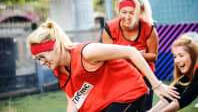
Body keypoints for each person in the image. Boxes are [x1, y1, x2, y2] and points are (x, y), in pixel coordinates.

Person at [27, 20, 179, 112]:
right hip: (106, 101)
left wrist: (157, 85)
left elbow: (131, 51)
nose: (41, 63)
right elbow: (74, 100)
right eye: (36, 59)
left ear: (57, 47)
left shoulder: (87, 52)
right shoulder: (59, 69)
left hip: (129, 92)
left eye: (42, 56)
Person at [102, 0, 158, 111]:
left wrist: (133, 54)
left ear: (139, 13)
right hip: (120, 78)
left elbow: (153, 56)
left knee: (145, 110)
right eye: (124, 12)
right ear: (119, 11)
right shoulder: (110, 28)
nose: (127, 17)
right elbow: (105, 57)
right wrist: (125, 54)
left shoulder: (148, 28)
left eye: (132, 13)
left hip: (144, 77)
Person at [148, 34, 198, 112]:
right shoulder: (190, 72)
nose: (177, 60)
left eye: (181, 56)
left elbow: (186, 98)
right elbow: (172, 95)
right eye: (175, 56)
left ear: (193, 56)